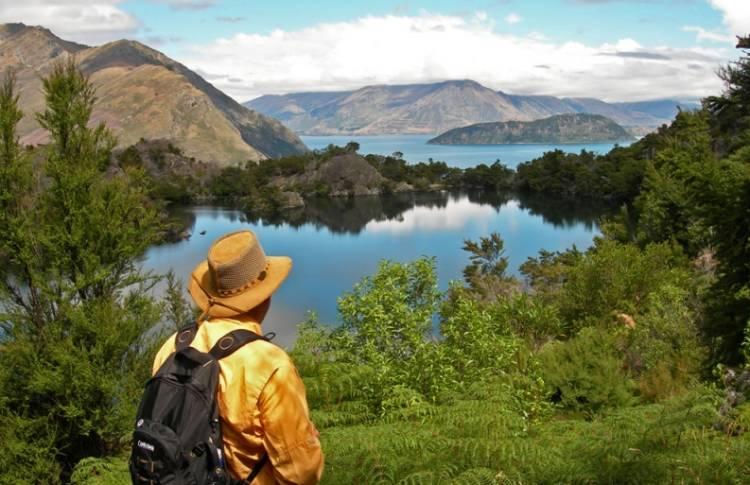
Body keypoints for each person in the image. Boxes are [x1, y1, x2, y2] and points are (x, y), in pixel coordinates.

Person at [152, 230, 324, 484]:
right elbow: (300, 473)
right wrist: (310, 443)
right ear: (264, 297)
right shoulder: (270, 366)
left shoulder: (173, 346)